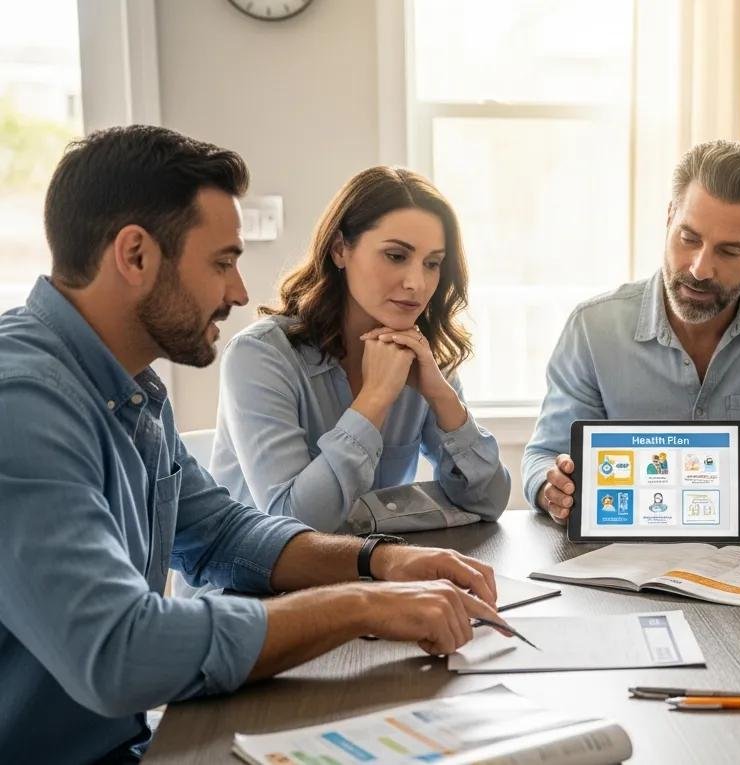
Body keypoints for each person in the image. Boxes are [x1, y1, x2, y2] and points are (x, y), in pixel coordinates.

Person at [0, 126, 506, 762]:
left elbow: (222, 535)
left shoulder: (131, 391)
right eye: (222, 263)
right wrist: (363, 603)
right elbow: (121, 652)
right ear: (135, 256)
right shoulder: (21, 404)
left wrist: (381, 562)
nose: (239, 292)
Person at [524, 140, 740, 528]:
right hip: (621, 547)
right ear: (669, 217)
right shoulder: (592, 328)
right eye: (689, 239)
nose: (699, 269)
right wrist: (553, 489)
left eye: (728, 251)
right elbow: (544, 456)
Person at [212, 167, 510, 533]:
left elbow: (489, 501)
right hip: (255, 571)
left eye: (432, 263)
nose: (417, 283)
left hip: (371, 565)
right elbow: (293, 526)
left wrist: (441, 395)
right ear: (340, 249)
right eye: (396, 256)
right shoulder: (258, 356)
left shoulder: (420, 355)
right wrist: (376, 397)